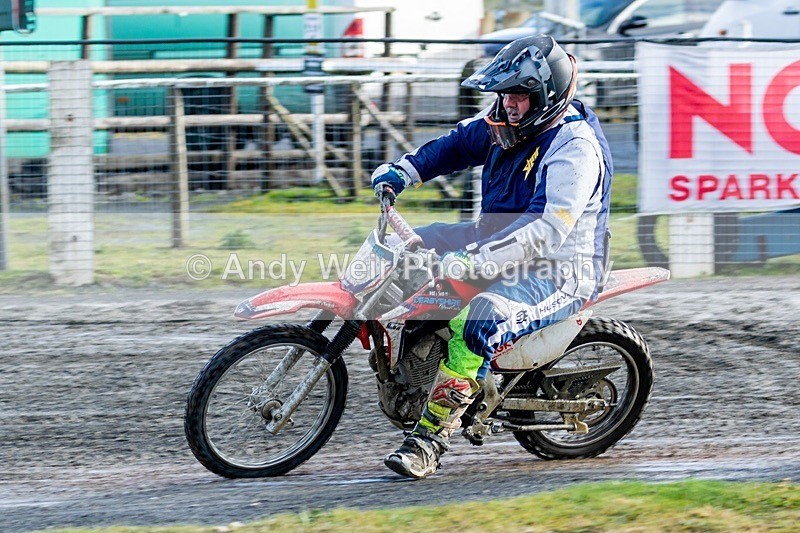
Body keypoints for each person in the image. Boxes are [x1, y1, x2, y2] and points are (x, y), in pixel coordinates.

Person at [371, 35, 614, 479]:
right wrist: (402, 172)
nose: (507, 105)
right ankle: (417, 371)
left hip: (557, 269)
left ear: (546, 96)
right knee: (406, 253)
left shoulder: (575, 149)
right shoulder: (508, 123)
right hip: (495, 242)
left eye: (518, 95)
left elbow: (547, 228)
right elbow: (457, 144)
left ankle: (429, 441)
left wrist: (474, 260)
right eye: (503, 95)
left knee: (477, 318)